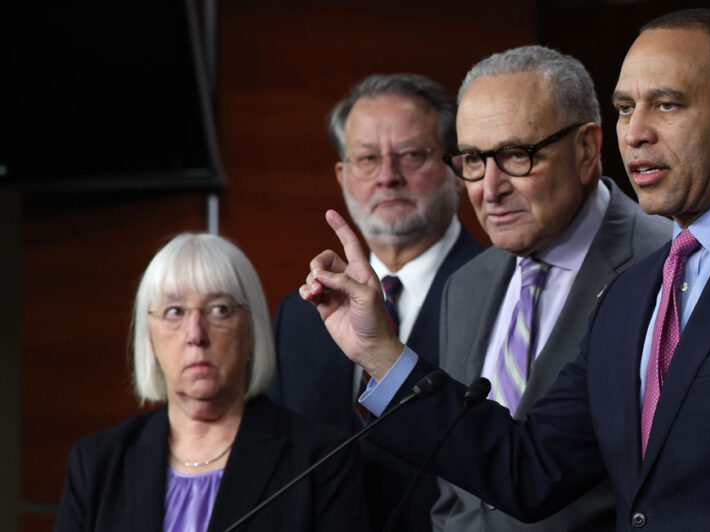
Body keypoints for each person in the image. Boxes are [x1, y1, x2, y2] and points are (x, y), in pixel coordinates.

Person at [300, 8, 710, 532]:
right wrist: (380, 353)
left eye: (667, 105)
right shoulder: (637, 289)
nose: (637, 133)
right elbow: (529, 468)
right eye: (625, 108)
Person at [433, 45, 671, 531]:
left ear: (586, 150)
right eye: (473, 160)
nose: (488, 188)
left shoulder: (666, 264)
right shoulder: (465, 284)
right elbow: (454, 486)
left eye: (516, 155)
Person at [265, 73, 484, 531]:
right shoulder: (298, 316)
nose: (388, 176)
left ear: (457, 167)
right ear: (343, 176)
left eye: (411, 155)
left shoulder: (500, 291)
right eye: (368, 158)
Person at [55, 233, 369, 531]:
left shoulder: (322, 460)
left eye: (219, 309)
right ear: (149, 337)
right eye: (174, 311)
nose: (195, 334)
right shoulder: (95, 463)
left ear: (251, 332)